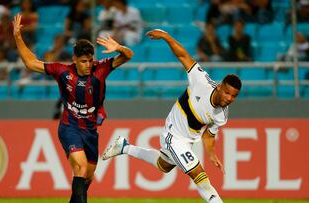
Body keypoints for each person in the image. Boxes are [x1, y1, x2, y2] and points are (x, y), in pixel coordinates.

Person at [102, 29, 242, 203]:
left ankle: (124, 147)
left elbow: (209, 135)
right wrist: (167, 37)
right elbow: (183, 56)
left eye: (234, 96)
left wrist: (211, 153)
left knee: (164, 165)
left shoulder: (222, 115)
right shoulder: (201, 82)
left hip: (188, 141)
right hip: (172, 135)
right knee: (199, 175)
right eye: (228, 93)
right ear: (220, 87)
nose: (230, 99)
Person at [13, 13, 133, 203]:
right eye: (83, 61)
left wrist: (118, 47)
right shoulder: (62, 71)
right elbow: (31, 63)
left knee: (87, 177)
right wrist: (18, 37)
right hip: (70, 127)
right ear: (74, 59)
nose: (87, 65)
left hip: (91, 131)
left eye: (90, 60)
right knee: (80, 168)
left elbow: (128, 56)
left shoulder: (100, 68)